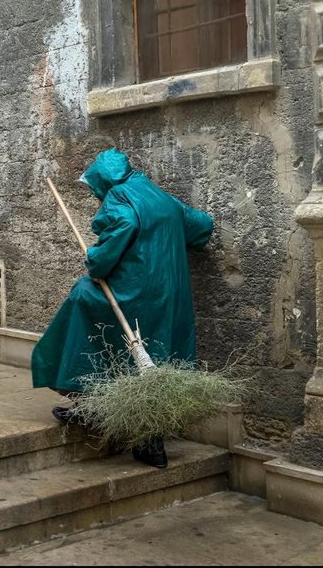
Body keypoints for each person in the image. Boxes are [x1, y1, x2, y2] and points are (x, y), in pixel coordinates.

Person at [31, 148, 214, 468]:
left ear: (103, 181)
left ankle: (89, 403)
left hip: (134, 293)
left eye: (94, 188)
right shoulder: (160, 197)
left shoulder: (119, 198)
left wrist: (96, 261)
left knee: (82, 299)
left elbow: (123, 227)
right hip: (170, 296)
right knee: (152, 356)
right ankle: (140, 431)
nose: (95, 196)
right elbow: (201, 225)